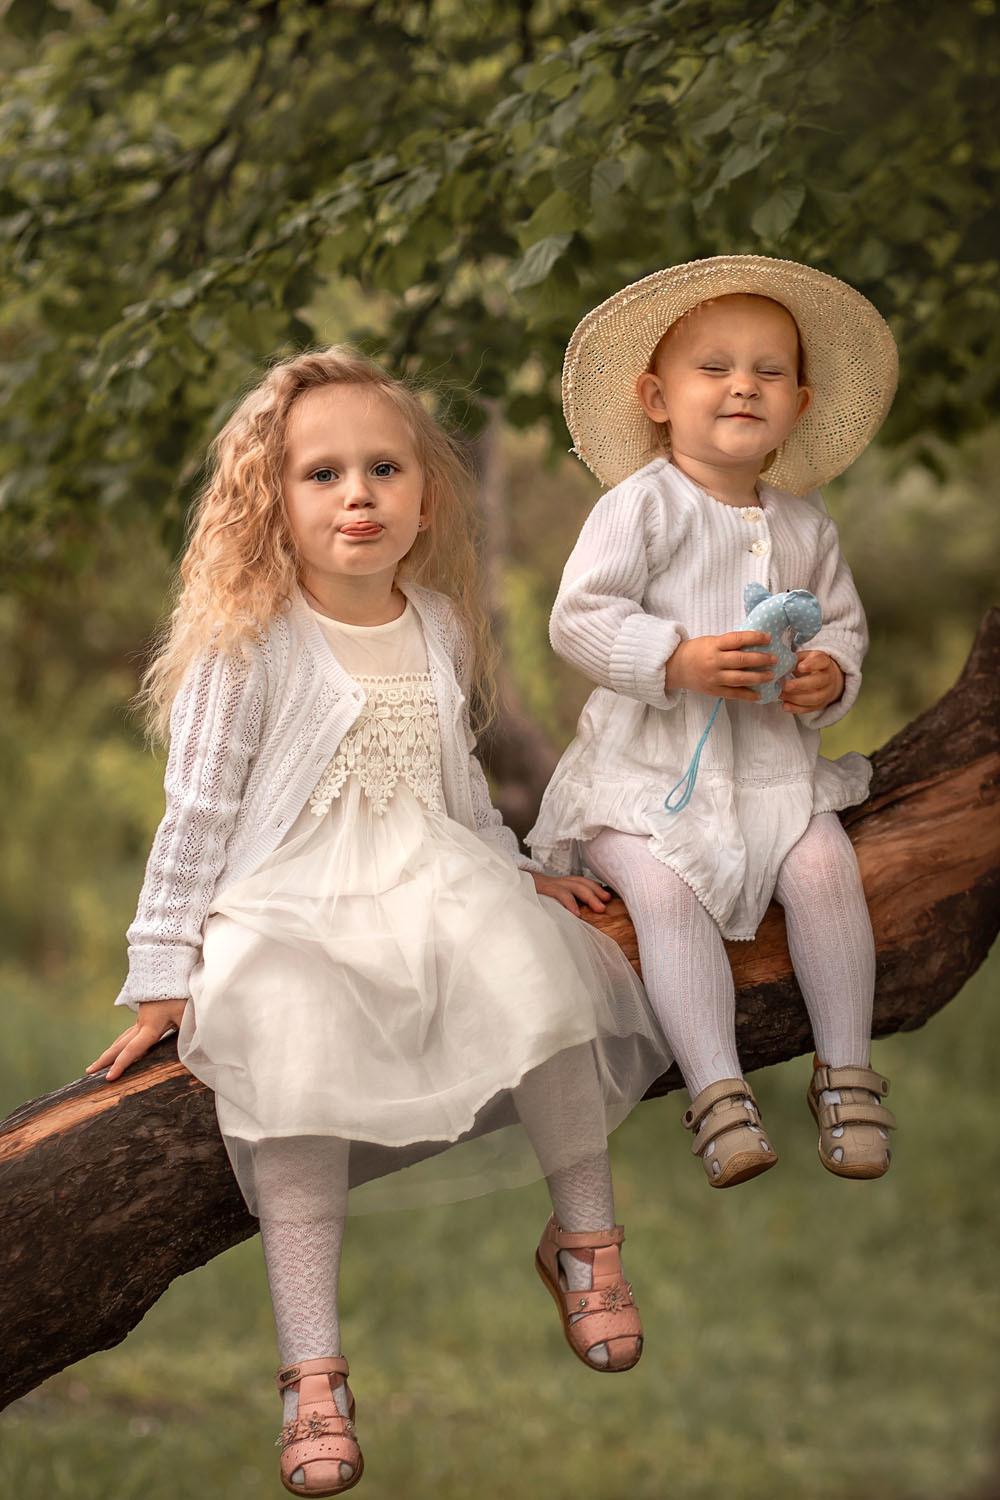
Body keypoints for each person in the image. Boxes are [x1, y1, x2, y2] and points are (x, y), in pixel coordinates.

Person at [87, 348, 669, 1497]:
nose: (357, 495)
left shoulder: (441, 622)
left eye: (383, 468)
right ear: (272, 503)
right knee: (292, 1059)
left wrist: (518, 874)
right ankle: (311, 1371)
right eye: (321, 475)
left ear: (425, 497)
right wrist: (162, 969)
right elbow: (196, 813)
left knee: (539, 976)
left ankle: (586, 1245)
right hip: (286, 899)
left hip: (431, 872)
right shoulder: (246, 641)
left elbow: (451, 782)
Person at [528, 255, 899, 1193]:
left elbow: (845, 627)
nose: (745, 385)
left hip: (769, 771)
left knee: (823, 866)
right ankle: (717, 1090)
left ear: (801, 402)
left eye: (770, 372)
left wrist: (828, 676)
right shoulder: (641, 505)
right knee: (662, 892)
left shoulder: (807, 525)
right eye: (716, 367)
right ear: (656, 395)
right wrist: (675, 659)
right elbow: (580, 615)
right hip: (645, 777)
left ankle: (846, 1072)